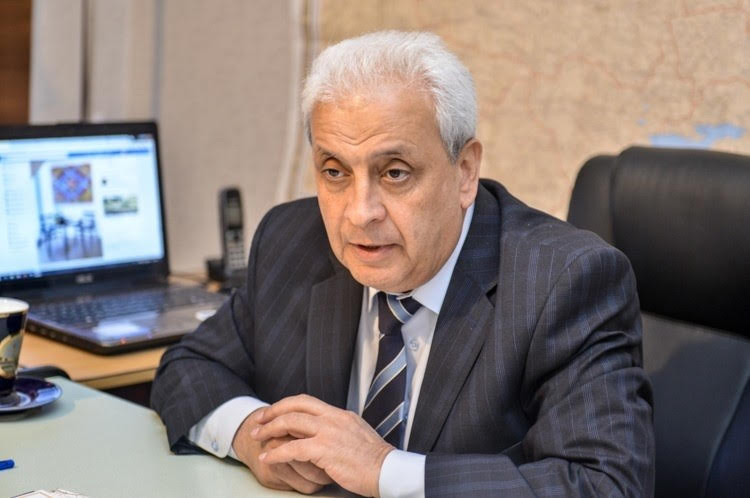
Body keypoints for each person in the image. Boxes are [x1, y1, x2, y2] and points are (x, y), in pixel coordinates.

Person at [151, 30, 654, 497]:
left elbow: (606, 484)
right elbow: (188, 367)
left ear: (464, 171)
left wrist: (384, 470)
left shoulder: (562, 281)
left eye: (395, 173)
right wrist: (250, 436)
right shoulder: (292, 241)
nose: (359, 213)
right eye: (334, 172)